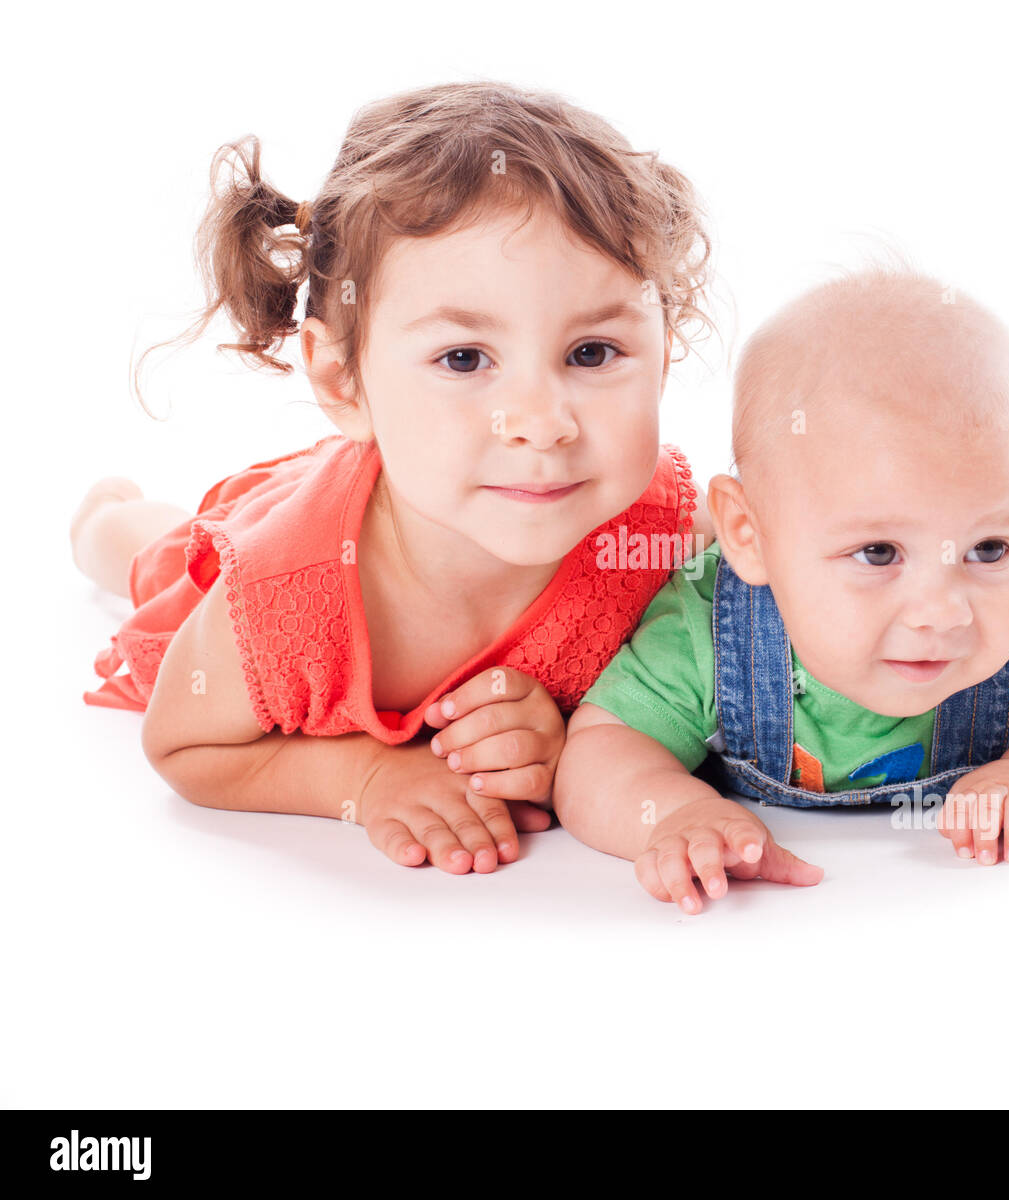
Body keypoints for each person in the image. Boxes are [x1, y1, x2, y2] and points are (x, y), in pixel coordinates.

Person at [71, 81, 713, 873]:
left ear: (664, 352)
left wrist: (570, 738)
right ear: (343, 382)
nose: (542, 422)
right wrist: (365, 777)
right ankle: (107, 520)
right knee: (162, 558)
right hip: (287, 539)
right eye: (464, 359)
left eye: (591, 353)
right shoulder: (279, 603)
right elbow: (182, 745)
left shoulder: (667, 534)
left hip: (386, 481)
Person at [554, 263, 1009, 914]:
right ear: (749, 535)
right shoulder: (709, 626)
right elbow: (604, 746)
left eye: (990, 549)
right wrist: (672, 813)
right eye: (878, 553)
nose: (941, 611)